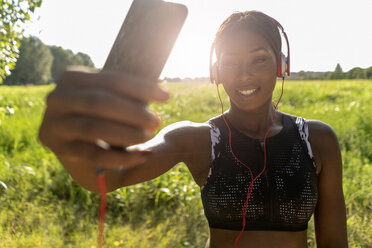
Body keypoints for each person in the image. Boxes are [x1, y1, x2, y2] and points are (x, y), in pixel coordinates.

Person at [39, 11, 348, 248]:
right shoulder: (196, 139)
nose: (244, 75)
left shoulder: (317, 139)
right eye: (230, 62)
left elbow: (334, 243)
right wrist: (72, 144)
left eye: (259, 60)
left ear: (281, 66)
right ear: (215, 71)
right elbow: (109, 176)